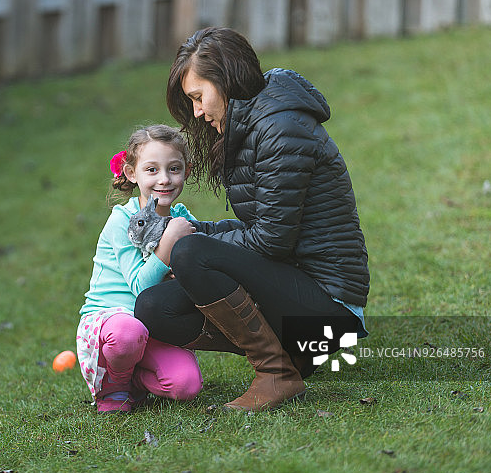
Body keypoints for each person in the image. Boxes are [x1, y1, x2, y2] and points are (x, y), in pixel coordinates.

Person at [134, 27, 370, 412]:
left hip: (330, 310)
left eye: (198, 97)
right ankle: (289, 361)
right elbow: (258, 230)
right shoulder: (254, 124)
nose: (196, 111)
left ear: (225, 81)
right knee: (154, 307)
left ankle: (276, 373)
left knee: (191, 253)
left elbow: (271, 241)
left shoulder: (281, 128)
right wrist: (188, 232)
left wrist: (191, 245)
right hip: (291, 289)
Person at [77, 124, 203, 413]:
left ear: (187, 170)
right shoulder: (122, 220)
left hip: (156, 324)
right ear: (132, 173)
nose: (164, 179)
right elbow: (140, 288)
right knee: (128, 333)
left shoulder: (183, 219)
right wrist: (169, 242)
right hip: (113, 324)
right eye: (152, 170)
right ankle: (115, 386)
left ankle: (134, 378)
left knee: (187, 386)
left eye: (174, 168)